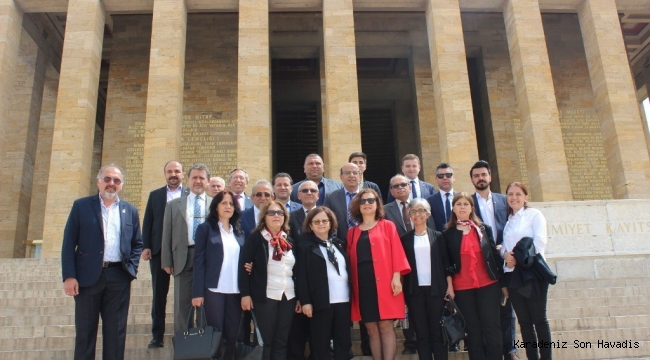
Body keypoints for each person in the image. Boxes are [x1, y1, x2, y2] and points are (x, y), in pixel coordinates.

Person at [61, 164, 143, 360]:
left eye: (116, 180)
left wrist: (131, 268)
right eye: (107, 179)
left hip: (118, 277)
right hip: (88, 278)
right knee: (85, 332)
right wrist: (69, 276)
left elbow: (137, 244)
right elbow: (68, 243)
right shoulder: (81, 206)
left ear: (121, 184)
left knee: (116, 333)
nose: (111, 184)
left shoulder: (129, 210)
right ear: (98, 181)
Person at [347, 189, 411, 360]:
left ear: (377, 204)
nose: (367, 204)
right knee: (371, 329)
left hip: (385, 283)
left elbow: (397, 251)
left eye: (370, 200)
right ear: (357, 206)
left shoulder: (387, 225)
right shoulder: (352, 232)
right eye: (363, 201)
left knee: (385, 326)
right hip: (363, 285)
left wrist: (397, 277)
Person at [443, 192, 503, 360]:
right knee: (472, 330)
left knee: (492, 328)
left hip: (489, 286)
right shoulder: (447, 234)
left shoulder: (483, 229)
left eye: (466, 204)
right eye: (458, 204)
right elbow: (446, 264)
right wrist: (449, 287)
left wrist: (503, 284)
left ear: (471, 208)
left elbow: (494, 257)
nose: (462, 207)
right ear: (453, 209)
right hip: (462, 289)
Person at [470, 161, 519, 360]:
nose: (480, 178)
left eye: (484, 174)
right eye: (476, 175)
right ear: (472, 179)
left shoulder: (503, 200)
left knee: (507, 308)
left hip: (505, 260)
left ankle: (510, 349)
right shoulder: (468, 203)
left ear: (490, 176)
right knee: (485, 309)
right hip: (481, 262)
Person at [239, 200, 299, 360]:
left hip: (288, 296)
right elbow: (243, 268)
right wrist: (245, 294)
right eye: (271, 213)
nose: (276, 216)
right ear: (264, 216)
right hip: (265, 296)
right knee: (266, 340)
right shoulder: (255, 239)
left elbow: (295, 270)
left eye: (280, 213)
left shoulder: (289, 240)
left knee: (282, 340)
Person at [191, 190, 245, 360]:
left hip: (235, 290)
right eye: (224, 203)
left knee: (232, 334)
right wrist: (197, 292)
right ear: (216, 207)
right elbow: (198, 262)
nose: (228, 206)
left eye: (231, 203)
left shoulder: (239, 231)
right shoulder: (205, 229)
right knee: (216, 334)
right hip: (213, 289)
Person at [501, 182, 552, 360]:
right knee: (524, 322)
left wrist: (521, 258)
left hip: (533, 273)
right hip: (513, 275)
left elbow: (539, 242)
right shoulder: (509, 221)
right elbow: (504, 246)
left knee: (539, 319)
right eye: (510, 194)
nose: (514, 198)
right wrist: (505, 254)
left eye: (518, 194)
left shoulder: (534, 215)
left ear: (525, 197)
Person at [141, 160, 188, 348]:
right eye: (169, 171)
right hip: (159, 251)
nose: (173, 174)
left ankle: (186, 333)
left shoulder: (190, 194)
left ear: (183, 174)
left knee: (184, 295)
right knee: (159, 294)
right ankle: (157, 335)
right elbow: (148, 222)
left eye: (177, 171)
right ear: (165, 174)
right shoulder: (156, 195)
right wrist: (145, 246)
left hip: (184, 251)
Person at [383, 174, 432, 355]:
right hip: (399, 263)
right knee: (405, 304)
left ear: (410, 187)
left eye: (403, 184)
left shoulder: (422, 206)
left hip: (424, 260)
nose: (400, 188)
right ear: (391, 191)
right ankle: (410, 341)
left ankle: (430, 337)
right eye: (395, 186)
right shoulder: (385, 210)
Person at [161, 164, 212, 334]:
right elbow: (167, 233)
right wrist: (167, 260)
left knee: (207, 307)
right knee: (182, 307)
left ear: (208, 181)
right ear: (188, 180)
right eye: (194, 178)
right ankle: (184, 348)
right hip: (183, 257)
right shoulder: (174, 204)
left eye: (201, 178)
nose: (198, 181)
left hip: (208, 259)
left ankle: (207, 347)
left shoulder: (216, 204)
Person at [297, 206, 352, 360]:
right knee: (320, 345)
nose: (321, 224)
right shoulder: (305, 248)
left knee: (343, 343)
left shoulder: (339, 245)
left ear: (330, 223)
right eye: (316, 221)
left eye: (324, 221)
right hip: (320, 303)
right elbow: (301, 277)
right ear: (310, 225)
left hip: (343, 301)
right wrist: (306, 301)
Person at [401, 199, 449, 360]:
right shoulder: (405, 239)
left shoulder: (439, 237)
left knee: (437, 331)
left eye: (421, 210)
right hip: (415, 291)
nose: (417, 214)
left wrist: (449, 287)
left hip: (436, 290)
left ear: (428, 214)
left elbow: (446, 264)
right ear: (409, 215)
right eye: (413, 211)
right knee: (421, 333)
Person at [287, 180, 319, 359]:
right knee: (297, 331)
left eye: (312, 190)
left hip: (320, 280)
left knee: (318, 331)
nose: (309, 193)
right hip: (297, 279)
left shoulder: (326, 215)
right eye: (304, 190)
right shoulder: (291, 217)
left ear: (318, 194)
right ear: (297, 195)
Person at [324, 163, 362, 244]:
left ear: (360, 176)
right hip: (341, 243)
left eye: (355, 173)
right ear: (341, 176)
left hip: (364, 241)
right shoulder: (331, 197)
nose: (351, 175)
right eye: (347, 173)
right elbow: (327, 220)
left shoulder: (368, 196)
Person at [426, 163, 457, 233]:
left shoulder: (461, 198)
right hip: (439, 240)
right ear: (436, 179)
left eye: (448, 175)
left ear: (454, 177)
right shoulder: (429, 201)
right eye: (441, 176)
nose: (445, 178)